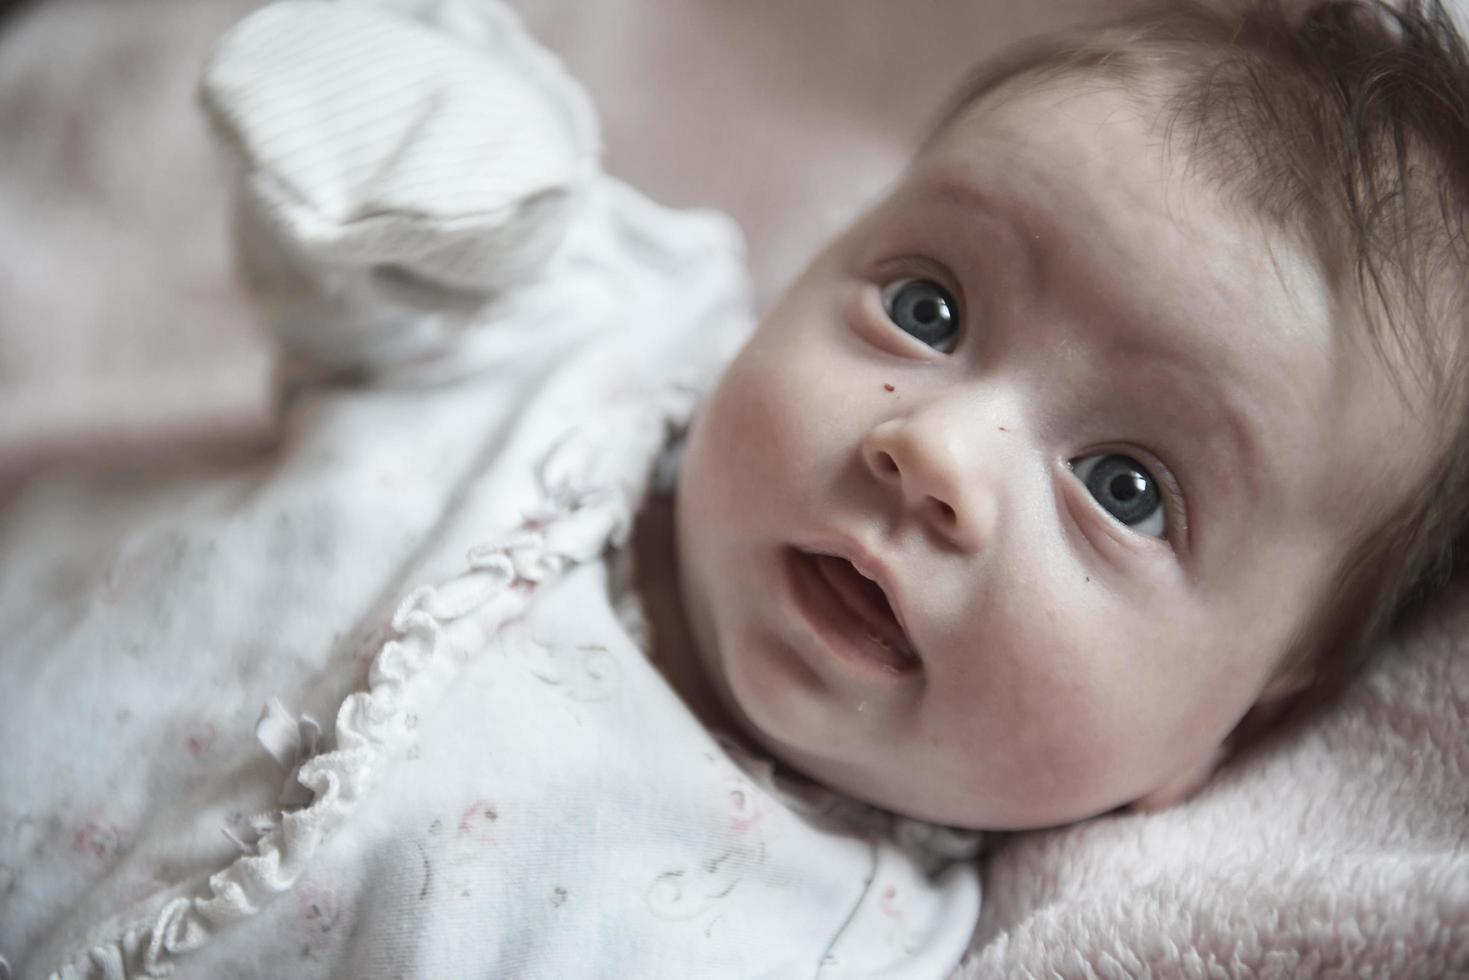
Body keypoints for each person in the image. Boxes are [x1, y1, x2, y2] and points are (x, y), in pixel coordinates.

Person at [7, 0, 1466, 977]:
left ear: (1226, 727)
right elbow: (362, 215)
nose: (935, 453)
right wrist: (449, 158)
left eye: (1127, 487)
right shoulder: (591, 339)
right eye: (929, 311)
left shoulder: (844, 946)